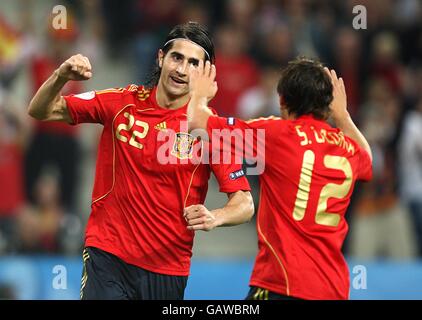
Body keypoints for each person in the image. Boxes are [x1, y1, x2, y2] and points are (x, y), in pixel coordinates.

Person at [27, 22, 254, 300]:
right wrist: (61, 76)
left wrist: (216, 216)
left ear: (205, 73)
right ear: (161, 58)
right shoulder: (122, 102)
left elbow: (244, 204)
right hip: (108, 254)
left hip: (167, 267)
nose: (181, 70)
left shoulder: (210, 129)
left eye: (193, 63)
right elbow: (40, 110)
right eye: (176, 57)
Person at [186, 58, 373, 300]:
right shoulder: (347, 148)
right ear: (328, 105)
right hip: (333, 287)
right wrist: (343, 116)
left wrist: (199, 95)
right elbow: (368, 162)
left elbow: (197, 122)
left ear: (282, 100)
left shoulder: (276, 135)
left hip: (284, 283)